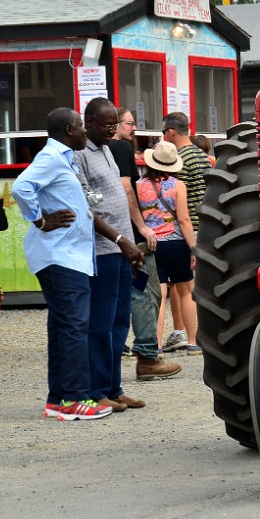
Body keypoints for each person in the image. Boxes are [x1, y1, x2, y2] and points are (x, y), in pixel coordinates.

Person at [11, 108, 113, 420]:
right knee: (73, 328)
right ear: (69, 130)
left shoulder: (61, 158)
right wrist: (40, 220)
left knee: (62, 327)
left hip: (65, 257)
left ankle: (58, 398)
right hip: (61, 257)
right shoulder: (53, 157)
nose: (85, 131)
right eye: (82, 126)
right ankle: (73, 400)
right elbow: (20, 187)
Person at [76, 98, 146, 413]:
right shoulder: (79, 155)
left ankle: (114, 388)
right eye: (106, 125)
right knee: (100, 324)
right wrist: (120, 239)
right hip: (102, 251)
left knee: (119, 322)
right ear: (88, 121)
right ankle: (96, 390)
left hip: (121, 250)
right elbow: (85, 209)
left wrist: (130, 243)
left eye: (115, 125)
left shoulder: (107, 149)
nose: (112, 130)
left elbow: (116, 200)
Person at [109, 108, 181, 381]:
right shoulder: (122, 150)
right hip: (132, 240)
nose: (134, 127)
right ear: (115, 125)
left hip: (110, 235)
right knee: (145, 293)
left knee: (125, 293)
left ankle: (131, 354)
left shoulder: (99, 151)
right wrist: (141, 227)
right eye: (129, 123)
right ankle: (148, 356)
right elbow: (126, 188)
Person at [137, 142, 199, 355]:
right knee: (186, 291)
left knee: (159, 294)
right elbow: (183, 219)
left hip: (151, 244)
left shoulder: (138, 185)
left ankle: (157, 345)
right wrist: (193, 248)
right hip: (176, 244)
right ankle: (192, 342)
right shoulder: (177, 185)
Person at [160, 112, 209, 353]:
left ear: (170, 132)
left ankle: (183, 333)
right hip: (203, 224)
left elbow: (175, 195)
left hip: (186, 227)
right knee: (189, 285)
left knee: (181, 287)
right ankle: (189, 333)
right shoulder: (201, 154)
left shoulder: (179, 158)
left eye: (163, 133)